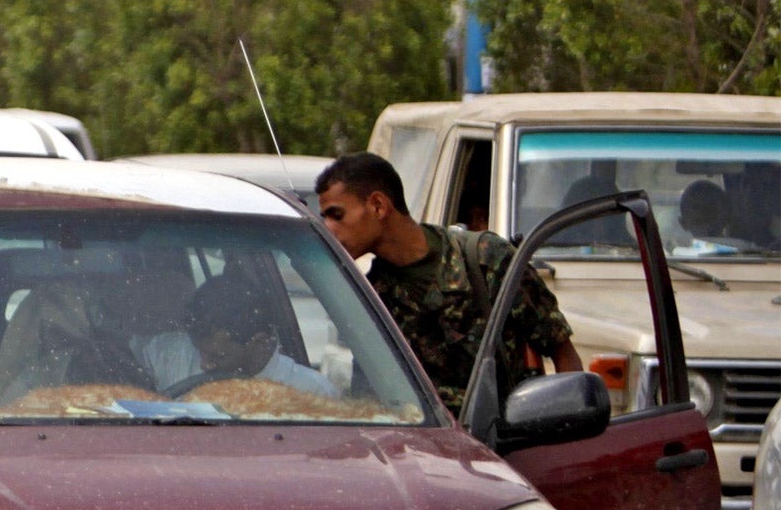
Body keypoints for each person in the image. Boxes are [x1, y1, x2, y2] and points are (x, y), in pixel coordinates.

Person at [315, 152, 579, 415]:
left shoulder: (483, 259)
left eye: (336, 215)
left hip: (504, 444)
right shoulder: (372, 295)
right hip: (423, 449)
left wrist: (570, 426)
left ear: (378, 206)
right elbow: (370, 399)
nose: (327, 227)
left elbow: (560, 349)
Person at [182, 274, 337, 398]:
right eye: (200, 351)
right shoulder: (170, 356)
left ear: (259, 343)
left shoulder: (311, 394)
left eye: (218, 356)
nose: (204, 365)